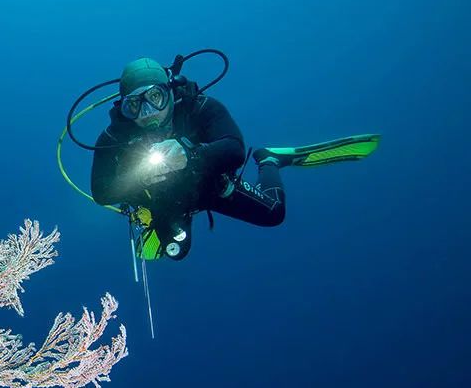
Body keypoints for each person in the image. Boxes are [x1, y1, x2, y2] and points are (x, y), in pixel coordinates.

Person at [90, 57, 379, 260]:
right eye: (134, 105)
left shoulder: (200, 108)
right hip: (164, 202)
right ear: (123, 108)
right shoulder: (113, 138)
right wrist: (139, 178)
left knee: (274, 214)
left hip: (212, 187)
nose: (148, 112)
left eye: (155, 97)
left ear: (170, 90)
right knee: (175, 253)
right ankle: (174, 225)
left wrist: (190, 155)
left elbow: (234, 150)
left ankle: (270, 159)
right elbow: (101, 193)